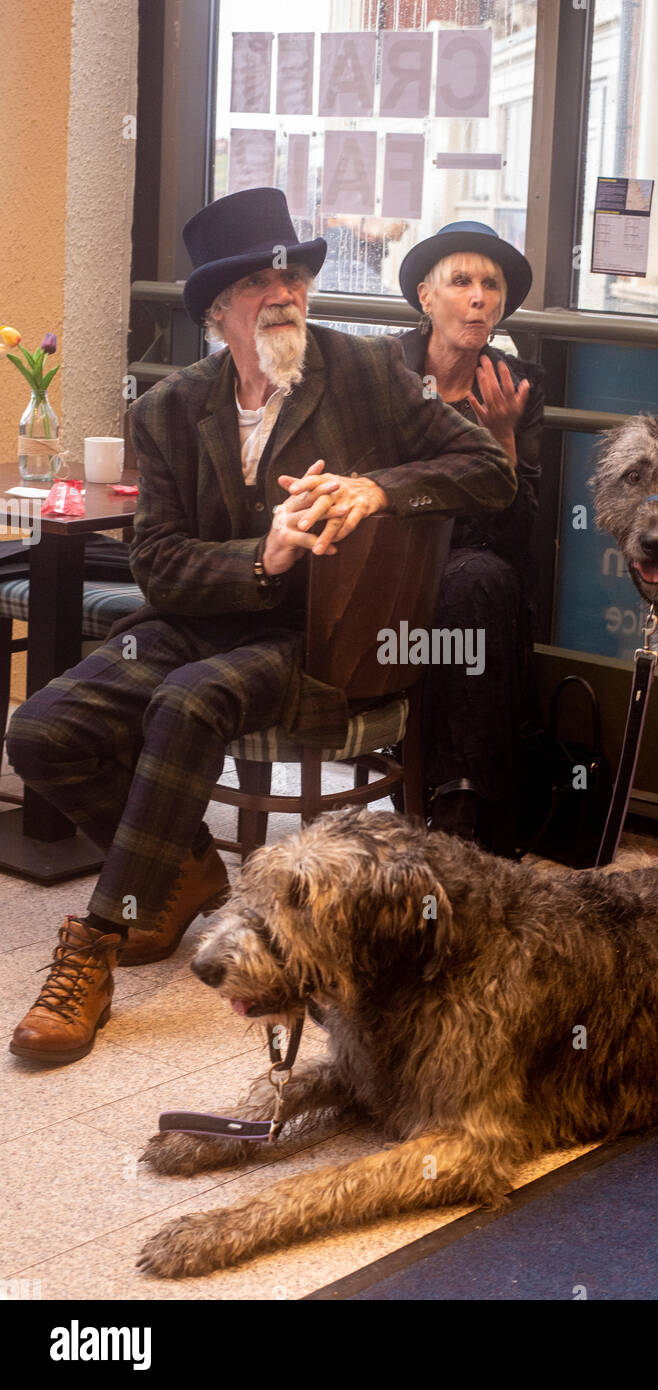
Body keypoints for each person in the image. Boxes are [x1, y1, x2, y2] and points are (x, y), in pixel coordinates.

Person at [8, 187, 514, 1065]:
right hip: (201, 618)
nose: (282, 291)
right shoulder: (167, 409)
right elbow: (156, 562)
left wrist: (378, 488)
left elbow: (486, 472)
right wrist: (262, 556)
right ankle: (186, 868)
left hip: (318, 637)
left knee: (188, 703)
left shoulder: (361, 372)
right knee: (40, 731)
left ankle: (95, 944)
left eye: (293, 273)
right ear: (216, 311)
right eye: (256, 281)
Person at [395, 222, 544, 851]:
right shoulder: (385, 371)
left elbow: (519, 535)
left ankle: (459, 809)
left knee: (478, 578)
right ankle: (456, 804)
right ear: (427, 298)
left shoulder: (513, 385)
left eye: (491, 285)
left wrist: (503, 440)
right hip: (388, 561)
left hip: (475, 575)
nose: (479, 297)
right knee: (469, 581)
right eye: (461, 282)